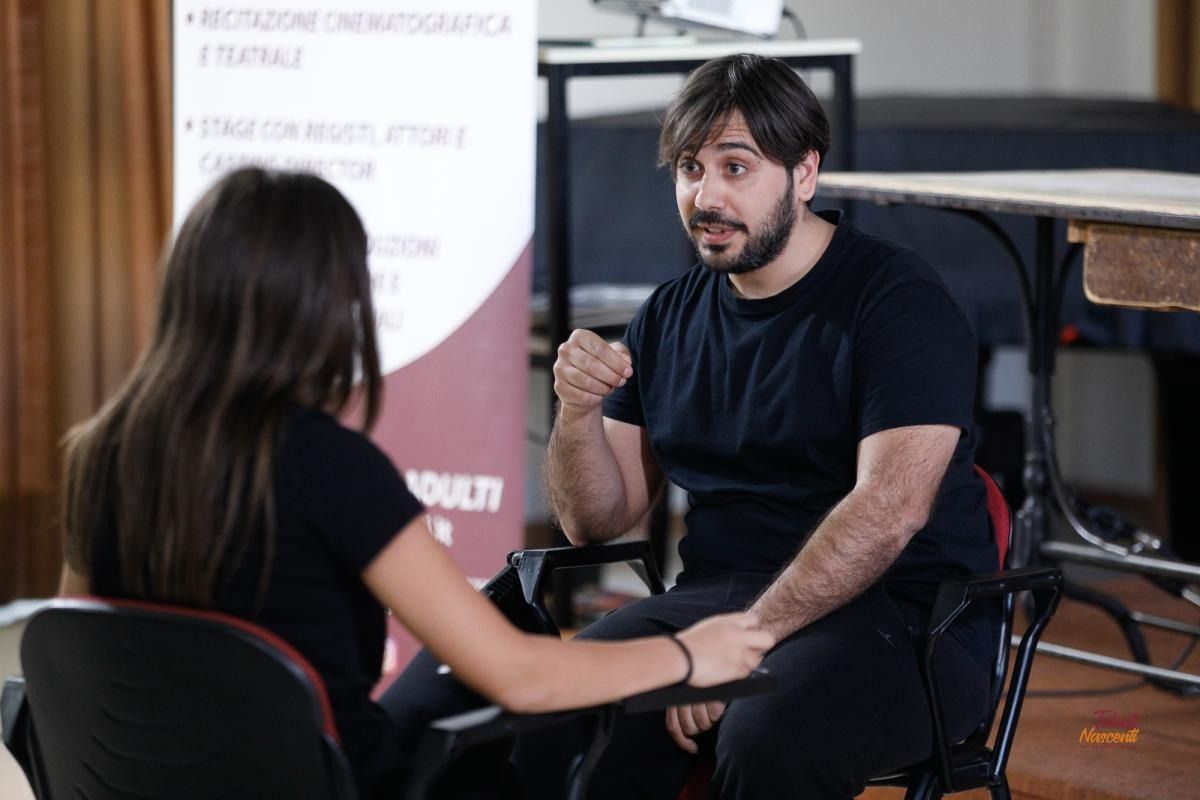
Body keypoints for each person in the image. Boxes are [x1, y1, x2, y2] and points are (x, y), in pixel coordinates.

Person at [56, 167, 774, 800]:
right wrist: (688, 653)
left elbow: (82, 650)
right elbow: (518, 677)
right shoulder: (326, 466)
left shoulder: (101, 453)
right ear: (322, 304)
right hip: (328, 780)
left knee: (498, 631)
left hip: (159, 779)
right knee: (516, 663)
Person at [526, 53, 1001, 799]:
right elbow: (594, 521)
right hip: (722, 597)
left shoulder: (897, 300)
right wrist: (578, 412)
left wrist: (742, 643)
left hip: (907, 620)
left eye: (736, 167)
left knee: (764, 735)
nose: (705, 195)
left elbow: (890, 513)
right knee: (562, 706)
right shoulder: (667, 315)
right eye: (689, 168)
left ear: (804, 175)